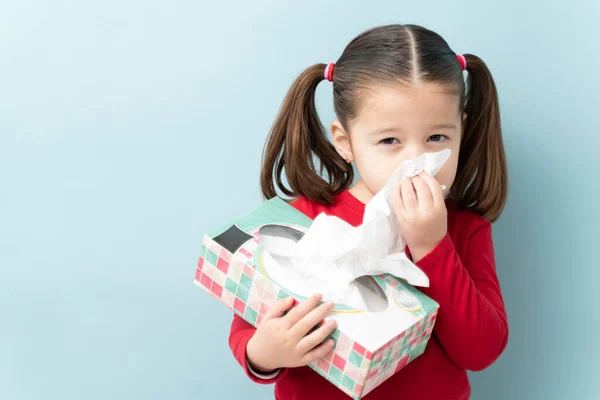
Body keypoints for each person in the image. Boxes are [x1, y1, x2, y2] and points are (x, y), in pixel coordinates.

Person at [228, 23, 509, 400]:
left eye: (437, 138)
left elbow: (480, 350)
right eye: (390, 140)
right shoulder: (306, 219)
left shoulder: (464, 229)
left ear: (461, 130)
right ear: (346, 142)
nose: (416, 160)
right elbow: (246, 325)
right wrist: (266, 353)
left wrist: (432, 247)